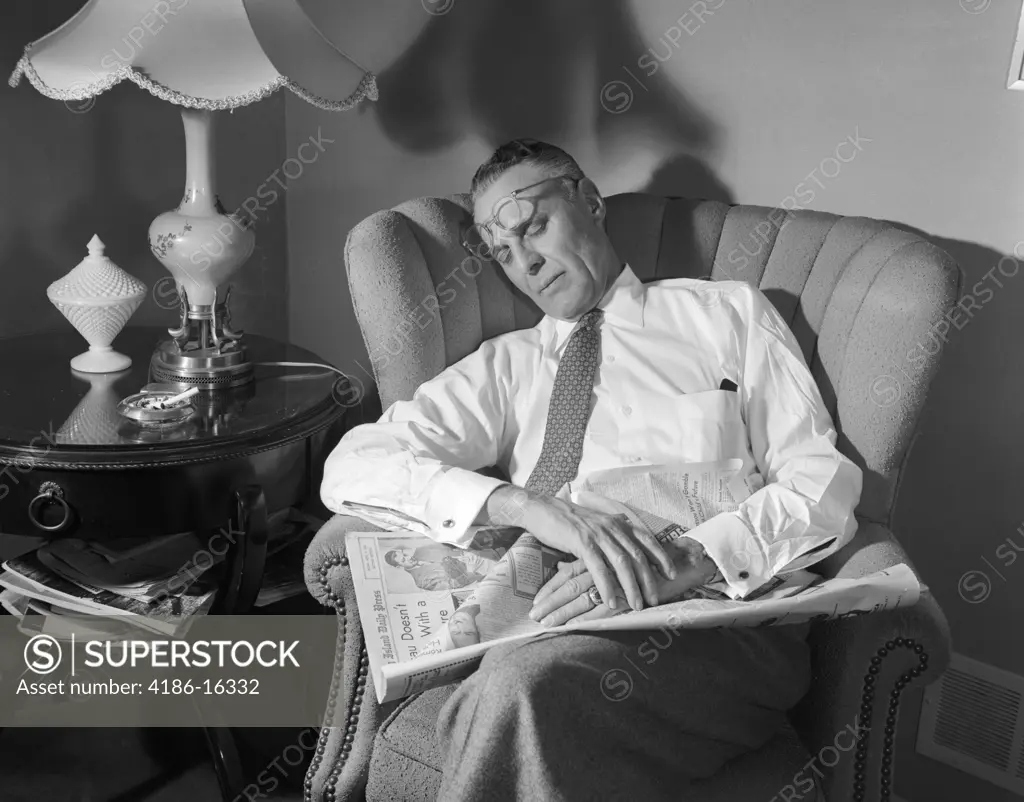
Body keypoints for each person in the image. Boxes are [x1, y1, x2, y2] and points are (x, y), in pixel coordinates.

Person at [322, 139, 863, 801]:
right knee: (507, 688)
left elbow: (820, 482)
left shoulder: (726, 314)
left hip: (715, 623)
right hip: (552, 622)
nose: (523, 261)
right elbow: (353, 465)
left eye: (532, 226)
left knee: (515, 692)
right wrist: (526, 507)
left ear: (589, 200)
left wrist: (691, 558)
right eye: (501, 251)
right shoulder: (506, 366)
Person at [383, 544, 491, 592]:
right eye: (403, 560)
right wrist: (471, 571)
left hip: (477, 552)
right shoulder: (421, 581)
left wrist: (466, 552)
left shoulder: (422, 550)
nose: (409, 558)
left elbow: (451, 546)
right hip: (478, 574)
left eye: (405, 555)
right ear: (399, 567)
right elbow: (455, 585)